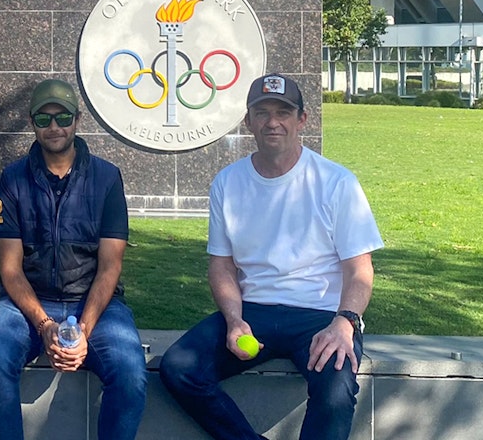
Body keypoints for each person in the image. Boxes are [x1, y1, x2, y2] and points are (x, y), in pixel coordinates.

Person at [159, 73, 384, 440]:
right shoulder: (228, 183)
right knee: (179, 368)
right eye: (262, 113)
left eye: (283, 111)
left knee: (336, 390)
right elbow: (222, 266)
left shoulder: (337, 182)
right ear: (248, 121)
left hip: (320, 315)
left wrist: (345, 322)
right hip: (253, 311)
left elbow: (359, 269)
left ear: (302, 120)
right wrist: (234, 320)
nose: (273, 122)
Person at [0, 78, 148, 440]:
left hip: (96, 303)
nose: (54, 126)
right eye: (43, 118)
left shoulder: (107, 177)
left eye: (62, 116)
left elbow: (110, 266)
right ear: (32, 122)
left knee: (130, 371)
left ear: (77, 120)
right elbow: (10, 269)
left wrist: (82, 330)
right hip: (28, 303)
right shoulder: (13, 179)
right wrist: (45, 325)